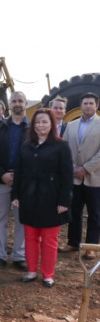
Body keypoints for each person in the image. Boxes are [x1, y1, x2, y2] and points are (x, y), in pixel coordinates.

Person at [12, 108, 73, 288]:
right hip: (29, 197)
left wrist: (64, 201)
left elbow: (67, 175)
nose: (40, 125)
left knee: (49, 239)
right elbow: (19, 171)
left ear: (52, 124)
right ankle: (31, 271)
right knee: (30, 237)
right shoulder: (26, 145)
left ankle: (48, 274)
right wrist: (15, 194)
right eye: (37, 122)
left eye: (45, 122)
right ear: (33, 125)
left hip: (52, 198)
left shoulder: (61, 146)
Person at [0, 91, 29, 271]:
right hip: (1, 180)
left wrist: (19, 177)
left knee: (21, 219)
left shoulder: (32, 127)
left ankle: (19, 256)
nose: (17, 104)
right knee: (0, 219)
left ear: (26, 104)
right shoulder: (0, 127)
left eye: (20, 101)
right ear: (9, 105)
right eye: (14, 101)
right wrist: (2, 174)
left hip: (23, 182)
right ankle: (0, 255)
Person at [61, 92, 100, 260]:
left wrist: (85, 168)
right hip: (74, 177)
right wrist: (72, 168)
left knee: (95, 214)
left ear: (96, 106)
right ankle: (73, 242)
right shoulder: (71, 125)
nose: (88, 106)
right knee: (74, 211)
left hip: (94, 177)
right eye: (85, 103)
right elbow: (64, 149)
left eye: (91, 103)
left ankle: (91, 247)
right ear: (81, 106)